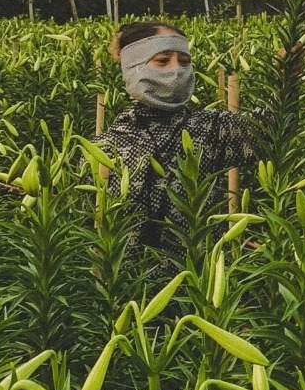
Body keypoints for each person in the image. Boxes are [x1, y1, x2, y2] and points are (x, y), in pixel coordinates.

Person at [96, 21, 262, 256]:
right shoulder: (104, 146)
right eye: (163, 61)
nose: (176, 70)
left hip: (198, 277)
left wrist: (287, 76)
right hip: (125, 282)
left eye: (185, 62)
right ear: (132, 67)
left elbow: (270, 130)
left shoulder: (210, 128)